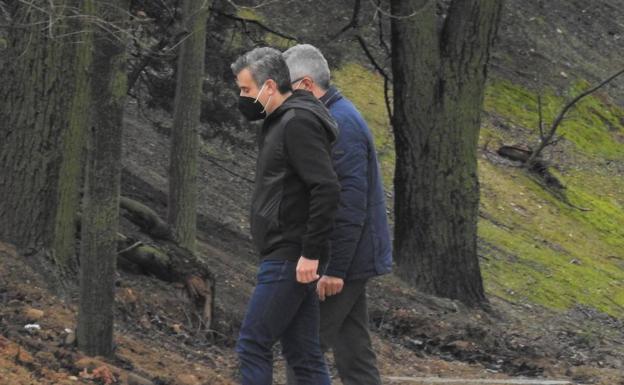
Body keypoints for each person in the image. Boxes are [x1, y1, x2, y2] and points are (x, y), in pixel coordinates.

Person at [283, 44, 393, 385]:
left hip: (345, 260)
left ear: (304, 85)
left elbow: (348, 208)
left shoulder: (340, 126)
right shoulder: (329, 118)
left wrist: (333, 271)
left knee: (304, 347)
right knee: (354, 351)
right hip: (349, 258)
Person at [231, 46, 341, 385]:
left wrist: (310, 253)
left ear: (269, 86)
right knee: (304, 355)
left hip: (290, 255)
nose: (242, 96)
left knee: (252, 344)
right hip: (286, 254)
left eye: (246, 89)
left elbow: (326, 188)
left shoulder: (297, 122)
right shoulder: (280, 122)